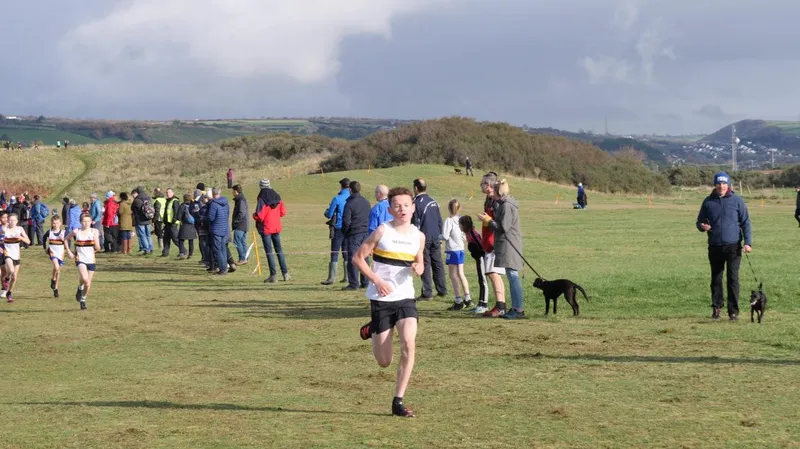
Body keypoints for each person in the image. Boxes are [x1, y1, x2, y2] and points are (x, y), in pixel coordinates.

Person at [352, 187, 424, 418]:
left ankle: (398, 401)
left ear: (413, 207)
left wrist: (418, 268)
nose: (402, 209)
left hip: (405, 298)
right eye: (397, 205)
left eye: (406, 205)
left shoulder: (419, 236)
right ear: (390, 208)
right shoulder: (382, 231)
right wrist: (376, 279)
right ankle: (373, 328)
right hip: (381, 299)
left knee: (408, 344)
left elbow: (420, 263)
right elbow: (358, 258)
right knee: (384, 361)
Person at [696, 172, 752, 321]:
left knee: (732, 278)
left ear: (728, 185)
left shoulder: (737, 200)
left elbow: (746, 222)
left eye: (724, 183)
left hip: (733, 246)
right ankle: (716, 308)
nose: (721, 186)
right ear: (715, 184)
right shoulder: (708, 202)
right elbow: (699, 222)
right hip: (714, 246)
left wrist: (747, 242)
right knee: (716, 278)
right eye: (719, 183)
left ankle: (733, 311)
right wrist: (702, 226)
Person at [480, 179, 526, 319]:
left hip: (510, 244)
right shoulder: (504, 204)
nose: (491, 193)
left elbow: (503, 228)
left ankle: (518, 309)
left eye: (494, 190)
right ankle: (516, 308)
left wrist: (489, 221)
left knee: (513, 276)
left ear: (499, 191)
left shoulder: (506, 206)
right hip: (507, 243)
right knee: (512, 276)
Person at [476, 171, 507, 316]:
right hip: (488, 240)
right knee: (493, 273)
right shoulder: (488, 200)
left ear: (488, 185)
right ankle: (501, 305)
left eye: (482, 183)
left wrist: (487, 220)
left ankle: (500, 306)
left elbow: (498, 222)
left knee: (493, 272)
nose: (480, 185)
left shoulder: (495, 201)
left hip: (493, 241)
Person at [411, 178, 447, 300]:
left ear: (416, 188)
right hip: (436, 236)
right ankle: (442, 289)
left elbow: (415, 223)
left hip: (423, 237)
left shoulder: (415, 203)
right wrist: (440, 235)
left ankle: (427, 292)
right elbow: (439, 220)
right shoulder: (434, 201)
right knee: (437, 263)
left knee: (425, 263)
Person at [253, 179, 290, 283]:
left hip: (266, 228)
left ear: (261, 186)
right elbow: (283, 212)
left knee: (269, 252)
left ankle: (273, 275)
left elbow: (260, 216)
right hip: (276, 227)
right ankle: (285, 274)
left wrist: (254, 216)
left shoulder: (261, 198)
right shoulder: (277, 196)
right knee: (279, 251)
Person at [65, 213, 101, 311]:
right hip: (80, 258)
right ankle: (80, 287)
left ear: (91, 222)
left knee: (88, 283)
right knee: (85, 279)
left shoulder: (94, 231)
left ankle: (83, 298)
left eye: (88, 221)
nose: (86, 223)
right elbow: (66, 239)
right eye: (84, 221)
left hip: (91, 259)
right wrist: (69, 252)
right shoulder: (77, 232)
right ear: (80, 222)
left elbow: (98, 247)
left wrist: (96, 244)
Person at [341, 181, 371, 291]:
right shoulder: (366, 202)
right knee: (364, 257)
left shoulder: (349, 204)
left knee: (353, 258)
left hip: (354, 233)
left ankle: (353, 283)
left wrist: (346, 232)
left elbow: (346, 221)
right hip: (365, 233)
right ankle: (365, 281)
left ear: (350, 190)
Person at [321, 178, 351, 285]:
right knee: (346, 252)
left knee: (334, 252)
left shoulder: (337, 199)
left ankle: (332, 278)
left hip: (338, 228)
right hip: (349, 229)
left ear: (341, 186)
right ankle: (347, 277)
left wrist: (326, 212)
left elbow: (329, 214)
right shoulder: (351, 198)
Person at [442, 199, 471, 310]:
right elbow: (464, 235)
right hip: (460, 249)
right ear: (459, 209)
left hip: (452, 250)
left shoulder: (449, 221)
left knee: (453, 275)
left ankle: (458, 300)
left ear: (449, 208)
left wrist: (438, 237)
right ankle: (467, 297)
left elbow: (445, 236)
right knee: (461, 274)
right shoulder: (461, 220)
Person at [459, 215, 488, 312]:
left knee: (483, 280)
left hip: (481, 259)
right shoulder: (467, 233)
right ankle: (480, 303)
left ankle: (484, 304)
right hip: (477, 258)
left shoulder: (472, 233)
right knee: (480, 279)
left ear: (465, 225)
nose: (459, 227)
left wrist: (480, 255)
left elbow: (481, 246)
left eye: (460, 225)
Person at [2, 213, 31, 303]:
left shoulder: (20, 229)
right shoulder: (4, 229)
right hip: (7, 253)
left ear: (17, 221)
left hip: (16, 255)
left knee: (14, 277)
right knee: (11, 270)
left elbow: (28, 241)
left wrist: (21, 237)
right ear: (8, 221)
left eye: (14, 220)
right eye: (10, 220)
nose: (12, 222)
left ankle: (9, 293)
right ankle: (6, 278)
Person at [45, 215, 74, 298]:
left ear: (60, 223)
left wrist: (67, 248)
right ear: (51, 223)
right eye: (53, 223)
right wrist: (45, 248)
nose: (55, 225)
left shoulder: (64, 232)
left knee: (58, 271)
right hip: (52, 252)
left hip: (60, 253)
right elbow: (43, 239)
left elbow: (68, 242)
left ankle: (55, 287)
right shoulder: (49, 232)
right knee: (56, 267)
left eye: (57, 223)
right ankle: (53, 279)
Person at [207, 187, 232, 275]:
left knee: (217, 250)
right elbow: (228, 214)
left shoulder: (213, 204)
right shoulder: (225, 202)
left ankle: (223, 268)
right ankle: (224, 266)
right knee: (223, 248)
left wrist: (204, 218)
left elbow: (211, 217)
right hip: (224, 228)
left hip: (216, 229)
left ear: (213, 194)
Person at [131, 186, 154, 254]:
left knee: (142, 235)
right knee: (148, 234)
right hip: (148, 218)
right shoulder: (148, 198)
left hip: (140, 220)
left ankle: (146, 249)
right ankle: (151, 248)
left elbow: (132, 208)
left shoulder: (137, 200)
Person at [175, 193, 197, 259]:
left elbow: (178, 217)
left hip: (184, 225)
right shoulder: (193, 205)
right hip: (192, 225)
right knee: (191, 241)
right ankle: (190, 254)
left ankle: (182, 253)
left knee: (181, 240)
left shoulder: (182, 206)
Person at [231, 184, 249, 265]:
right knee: (242, 241)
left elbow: (241, 212)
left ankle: (242, 258)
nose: (232, 192)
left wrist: (236, 221)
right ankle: (245, 257)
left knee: (237, 241)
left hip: (240, 224)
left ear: (235, 191)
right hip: (244, 224)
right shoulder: (241, 199)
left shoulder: (240, 200)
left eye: (233, 191)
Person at [161, 188, 180, 257]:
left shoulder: (175, 201)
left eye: (169, 192)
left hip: (172, 224)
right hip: (167, 223)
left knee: (175, 239)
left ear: (172, 193)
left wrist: (174, 220)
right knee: (166, 239)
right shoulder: (168, 201)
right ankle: (165, 253)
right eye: (166, 192)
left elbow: (176, 211)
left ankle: (183, 250)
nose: (167, 194)